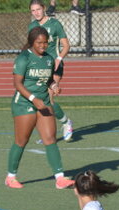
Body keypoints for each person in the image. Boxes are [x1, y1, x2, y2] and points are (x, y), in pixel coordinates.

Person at [6, 26, 75, 190]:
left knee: (50, 139)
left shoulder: (49, 59)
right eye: (39, 43)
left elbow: (48, 80)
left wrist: (54, 86)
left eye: (45, 42)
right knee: (21, 141)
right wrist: (33, 99)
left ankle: (60, 178)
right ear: (32, 42)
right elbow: (17, 84)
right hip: (24, 104)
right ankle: (10, 177)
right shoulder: (23, 58)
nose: (43, 46)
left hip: (43, 102)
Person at [29, 0, 74, 142]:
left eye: (38, 9)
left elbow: (66, 45)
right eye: (33, 10)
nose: (36, 13)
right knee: (40, 102)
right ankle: (49, 132)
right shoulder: (32, 27)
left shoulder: (55, 24)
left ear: (44, 8)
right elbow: (32, 48)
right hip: (40, 67)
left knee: (48, 98)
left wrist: (59, 59)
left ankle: (66, 123)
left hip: (54, 65)